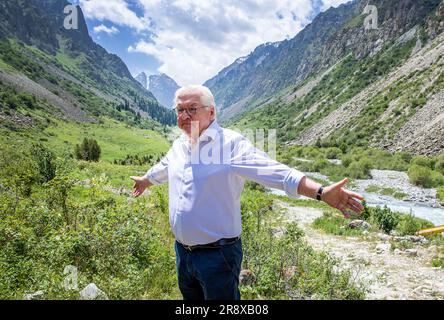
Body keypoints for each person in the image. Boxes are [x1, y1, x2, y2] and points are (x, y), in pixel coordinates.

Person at [130, 85, 364, 300]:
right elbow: (165, 167)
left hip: (217, 255)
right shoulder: (179, 144)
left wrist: (320, 192)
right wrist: (145, 180)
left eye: (192, 109)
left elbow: (276, 172)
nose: (184, 116)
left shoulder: (230, 144)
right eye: (179, 110)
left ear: (211, 112)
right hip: (183, 253)